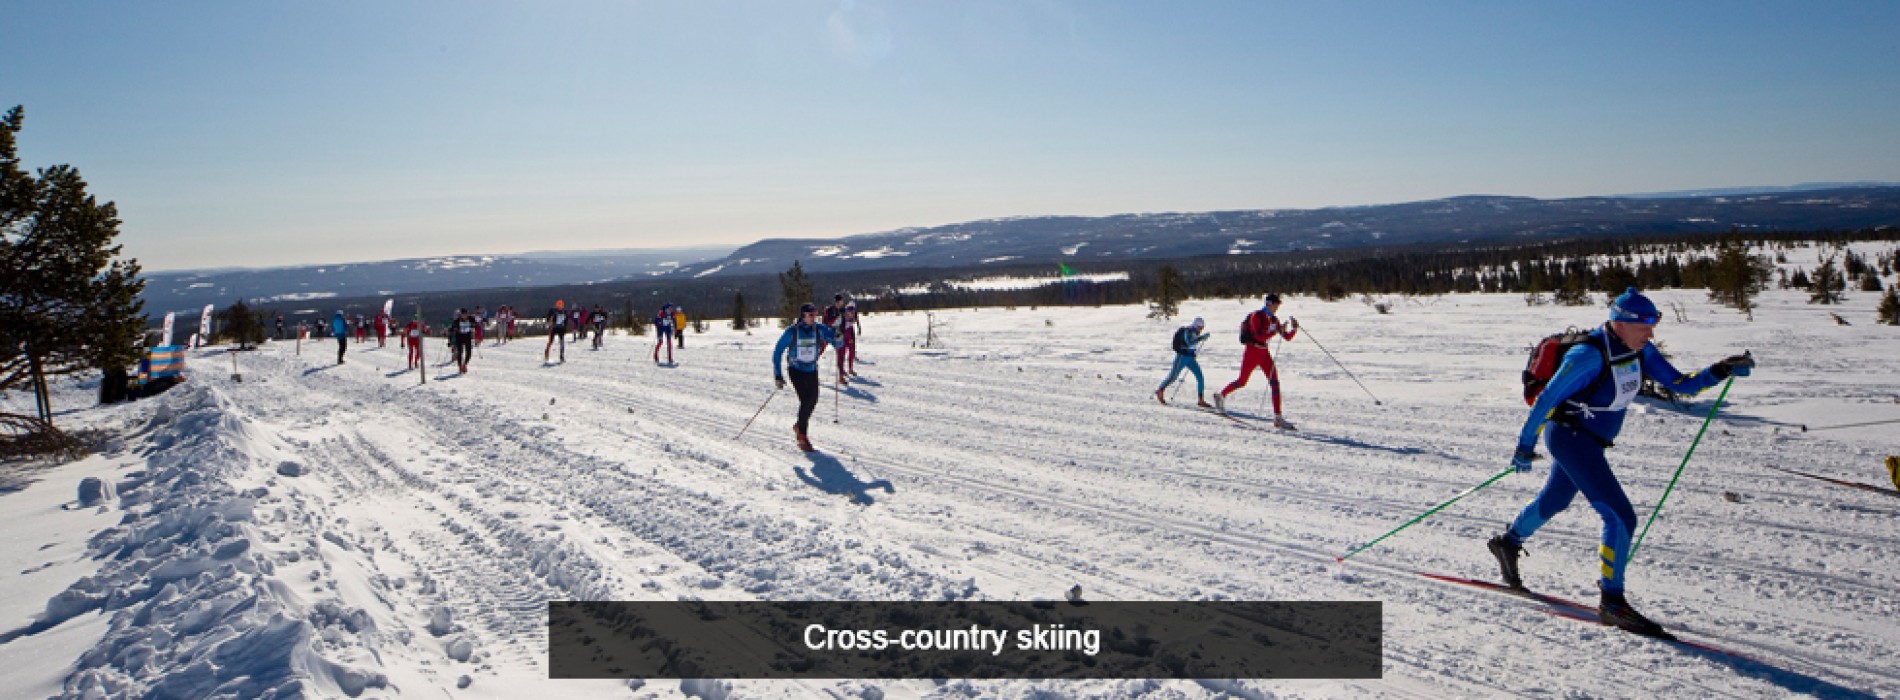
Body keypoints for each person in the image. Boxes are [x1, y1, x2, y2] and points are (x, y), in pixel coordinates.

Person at [1487, 287, 1754, 638]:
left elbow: (1680, 384)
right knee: (1620, 515)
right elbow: (1547, 400)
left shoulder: (1638, 351)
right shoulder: (1587, 355)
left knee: (1556, 499)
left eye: (1653, 323)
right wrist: (1524, 446)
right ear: (1620, 323)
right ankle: (1612, 601)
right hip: (1570, 438)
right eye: (1645, 324)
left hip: (1591, 442)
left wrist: (1720, 370)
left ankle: (1508, 542)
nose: (1651, 332)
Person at [1212, 294, 1299, 429]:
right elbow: (1259, 336)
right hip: (1252, 352)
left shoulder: (1274, 320)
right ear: (1269, 304)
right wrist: (1276, 330)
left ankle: (1278, 417)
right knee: (1242, 381)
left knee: (1275, 383)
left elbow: (1286, 337)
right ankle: (1221, 395)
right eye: (1276, 304)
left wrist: (1294, 329)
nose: (1277, 307)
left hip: (1264, 353)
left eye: (1278, 305)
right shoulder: (1256, 316)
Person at [772, 303, 844, 452]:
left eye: (815, 314)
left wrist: (838, 336)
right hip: (796, 370)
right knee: (806, 400)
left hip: (811, 369)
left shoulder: (819, 329)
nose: (814, 318)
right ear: (803, 315)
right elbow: (777, 352)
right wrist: (778, 374)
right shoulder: (792, 332)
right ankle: (802, 436)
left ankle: (799, 426)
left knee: (813, 400)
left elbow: (837, 342)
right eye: (810, 315)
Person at [1156, 317, 1212, 408]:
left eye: (1202, 327)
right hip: (1181, 357)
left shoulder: (1195, 332)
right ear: (1195, 325)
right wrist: (1201, 338)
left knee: (1200, 377)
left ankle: (1200, 400)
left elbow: (1192, 346)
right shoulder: (1188, 331)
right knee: (1173, 377)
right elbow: (1189, 343)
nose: (1200, 329)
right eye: (1199, 327)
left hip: (1190, 358)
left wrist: (1194, 350)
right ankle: (1160, 390)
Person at [835, 302, 863, 379]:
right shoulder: (842, 318)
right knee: (842, 354)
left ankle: (850, 369)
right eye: (850, 311)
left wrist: (852, 337)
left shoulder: (853, 317)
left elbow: (852, 327)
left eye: (853, 311)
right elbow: (836, 327)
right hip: (842, 336)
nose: (851, 313)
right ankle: (842, 370)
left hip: (849, 335)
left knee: (851, 352)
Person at [449, 309, 477, 374]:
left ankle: (465, 364)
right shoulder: (457, 320)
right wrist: (453, 329)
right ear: (461, 315)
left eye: (465, 314)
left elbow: (475, 324)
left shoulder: (470, 318)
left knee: (469, 352)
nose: (464, 316)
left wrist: (473, 325)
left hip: (467, 337)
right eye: (463, 314)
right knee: (460, 352)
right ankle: (460, 366)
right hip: (460, 337)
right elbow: (452, 327)